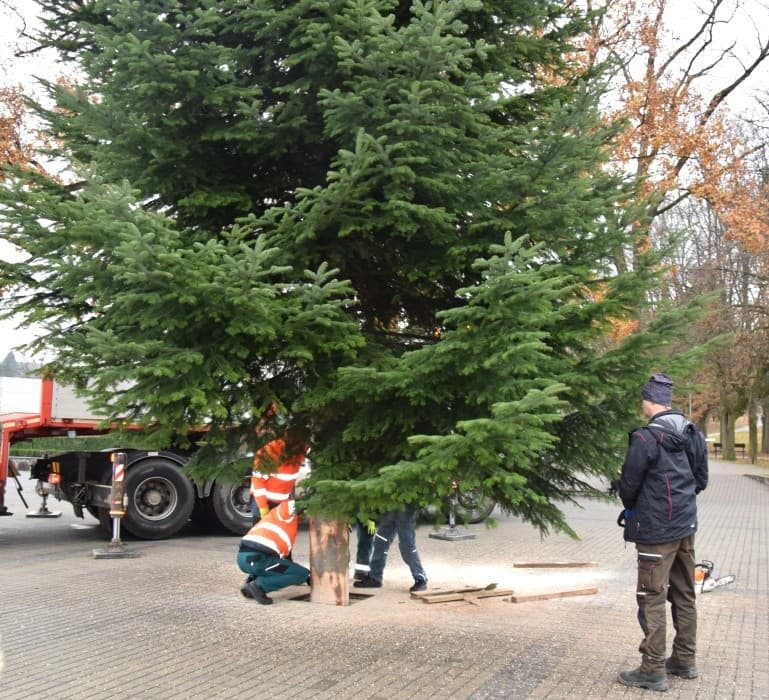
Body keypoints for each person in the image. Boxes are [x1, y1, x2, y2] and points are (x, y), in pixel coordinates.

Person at [617, 373, 708, 692]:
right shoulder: (691, 431)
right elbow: (701, 479)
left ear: (648, 400)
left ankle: (652, 669)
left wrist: (635, 505)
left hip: (656, 531)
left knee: (651, 597)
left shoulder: (645, 438)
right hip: (686, 526)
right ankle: (684, 661)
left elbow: (629, 484)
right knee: (684, 592)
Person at [237, 499, 310, 605]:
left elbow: (285, 564)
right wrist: (311, 502)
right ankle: (259, 586)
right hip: (257, 559)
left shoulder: (276, 520)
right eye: (305, 513)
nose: (305, 516)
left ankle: (249, 586)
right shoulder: (283, 513)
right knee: (301, 574)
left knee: (290, 571)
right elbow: (293, 504)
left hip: (246, 558)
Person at [353, 506, 428, 592]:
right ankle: (375, 577)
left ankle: (420, 578)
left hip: (406, 508)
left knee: (407, 545)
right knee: (380, 542)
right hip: (390, 506)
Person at [249, 430, 307, 524]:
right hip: (263, 500)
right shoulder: (269, 452)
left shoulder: (300, 449)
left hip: (282, 501)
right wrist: (263, 508)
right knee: (262, 535)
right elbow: (258, 481)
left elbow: (288, 481)